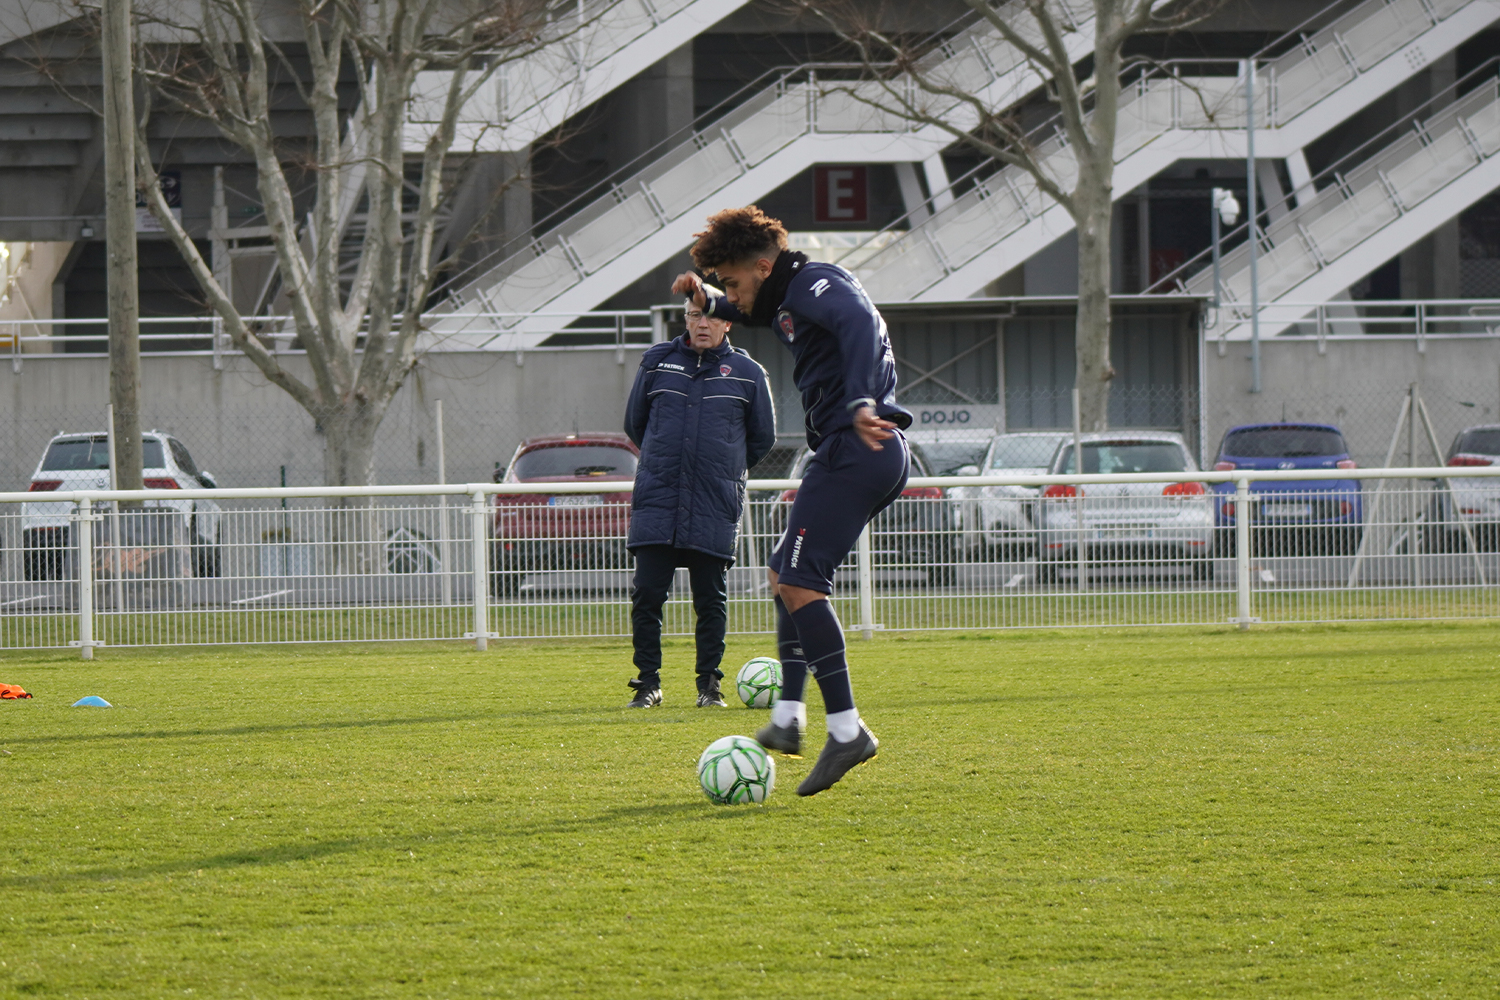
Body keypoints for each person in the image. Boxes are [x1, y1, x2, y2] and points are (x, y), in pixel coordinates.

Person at [672, 206, 912, 796]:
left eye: (732, 280)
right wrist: (708, 298)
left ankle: (847, 730)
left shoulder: (813, 283)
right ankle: (787, 719)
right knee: (784, 572)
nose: (730, 292)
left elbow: (858, 320)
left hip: (858, 445)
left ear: (762, 264)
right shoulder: (788, 294)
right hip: (856, 450)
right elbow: (750, 311)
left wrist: (860, 400)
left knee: (802, 584)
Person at [622, 299, 776, 709]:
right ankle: (648, 684)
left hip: (713, 500)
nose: (701, 324)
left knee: (710, 599)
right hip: (660, 498)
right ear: (685, 320)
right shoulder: (657, 362)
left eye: (710, 316)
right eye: (694, 316)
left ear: (728, 323)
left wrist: (723, 467)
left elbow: (762, 439)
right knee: (648, 596)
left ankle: (709, 687)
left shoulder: (748, 373)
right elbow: (634, 424)